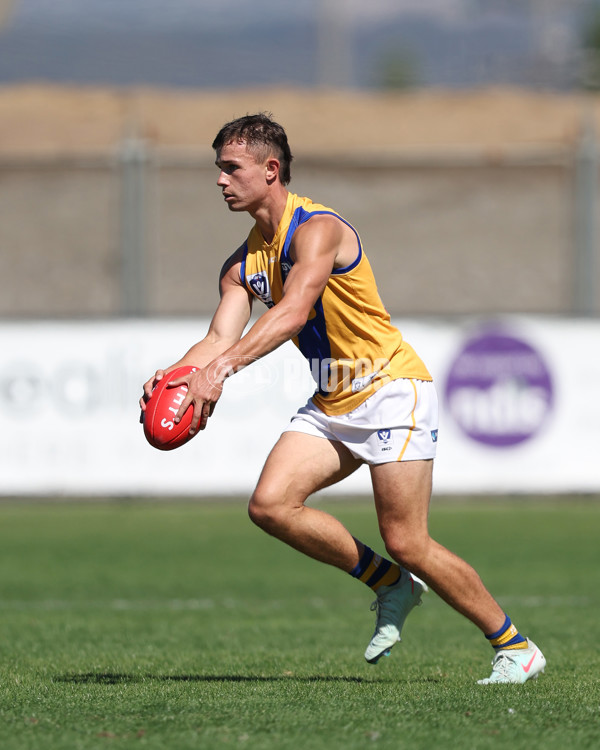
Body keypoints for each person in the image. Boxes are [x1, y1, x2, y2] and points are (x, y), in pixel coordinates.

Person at [141, 113, 546, 684]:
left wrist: (221, 372)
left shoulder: (319, 229)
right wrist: (178, 375)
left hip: (390, 388)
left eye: (231, 168)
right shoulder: (243, 264)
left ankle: (516, 646)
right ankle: (389, 585)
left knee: (407, 538)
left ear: (270, 169)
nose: (220, 180)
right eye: (219, 169)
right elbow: (215, 339)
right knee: (271, 505)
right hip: (334, 399)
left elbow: (293, 312)